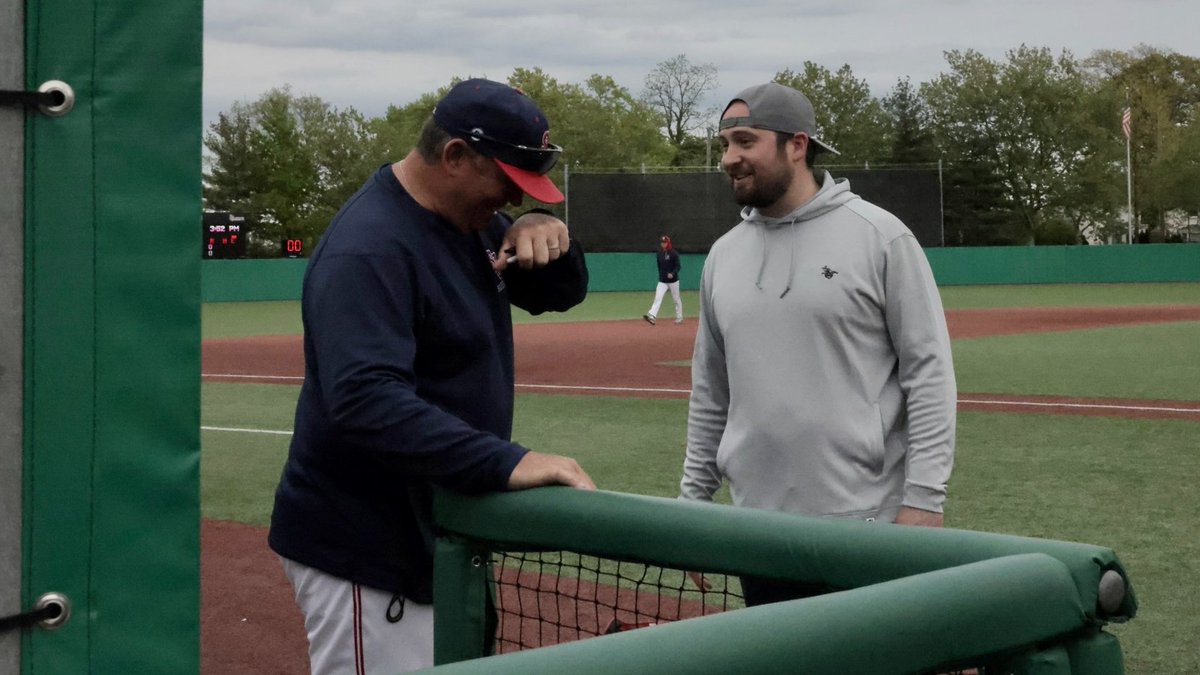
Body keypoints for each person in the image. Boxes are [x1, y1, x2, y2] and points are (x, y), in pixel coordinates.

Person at [268, 78, 596, 674]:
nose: (507, 200)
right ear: (453, 157)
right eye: (506, 184)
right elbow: (365, 400)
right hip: (367, 550)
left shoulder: (468, 219)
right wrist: (504, 461)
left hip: (434, 534)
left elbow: (562, 293)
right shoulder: (370, 249)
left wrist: (543, 229)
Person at [678, 82, 957, 606]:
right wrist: (693, 502)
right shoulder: (723, 256)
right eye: (724, 145)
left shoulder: (880, 236)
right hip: (757, 530)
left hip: (865, 525)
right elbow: (711, 392)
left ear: (797, 145)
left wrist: (924, 498)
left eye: (744, 141)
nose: (728, 159)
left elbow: (929, 373)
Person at [643, 234, 684, 325]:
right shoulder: (659, 254)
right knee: (658, 297)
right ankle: (652, 316)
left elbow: (678, 266)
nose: (663, 244)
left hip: (673, 281)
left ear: (668, 243)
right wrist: (661, 276)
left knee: (676, 299)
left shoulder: (674, 253)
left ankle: (679, 317)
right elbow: (659, 267)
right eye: (662, 242)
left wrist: (673, 274)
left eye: (665, 242)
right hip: (663, 281)